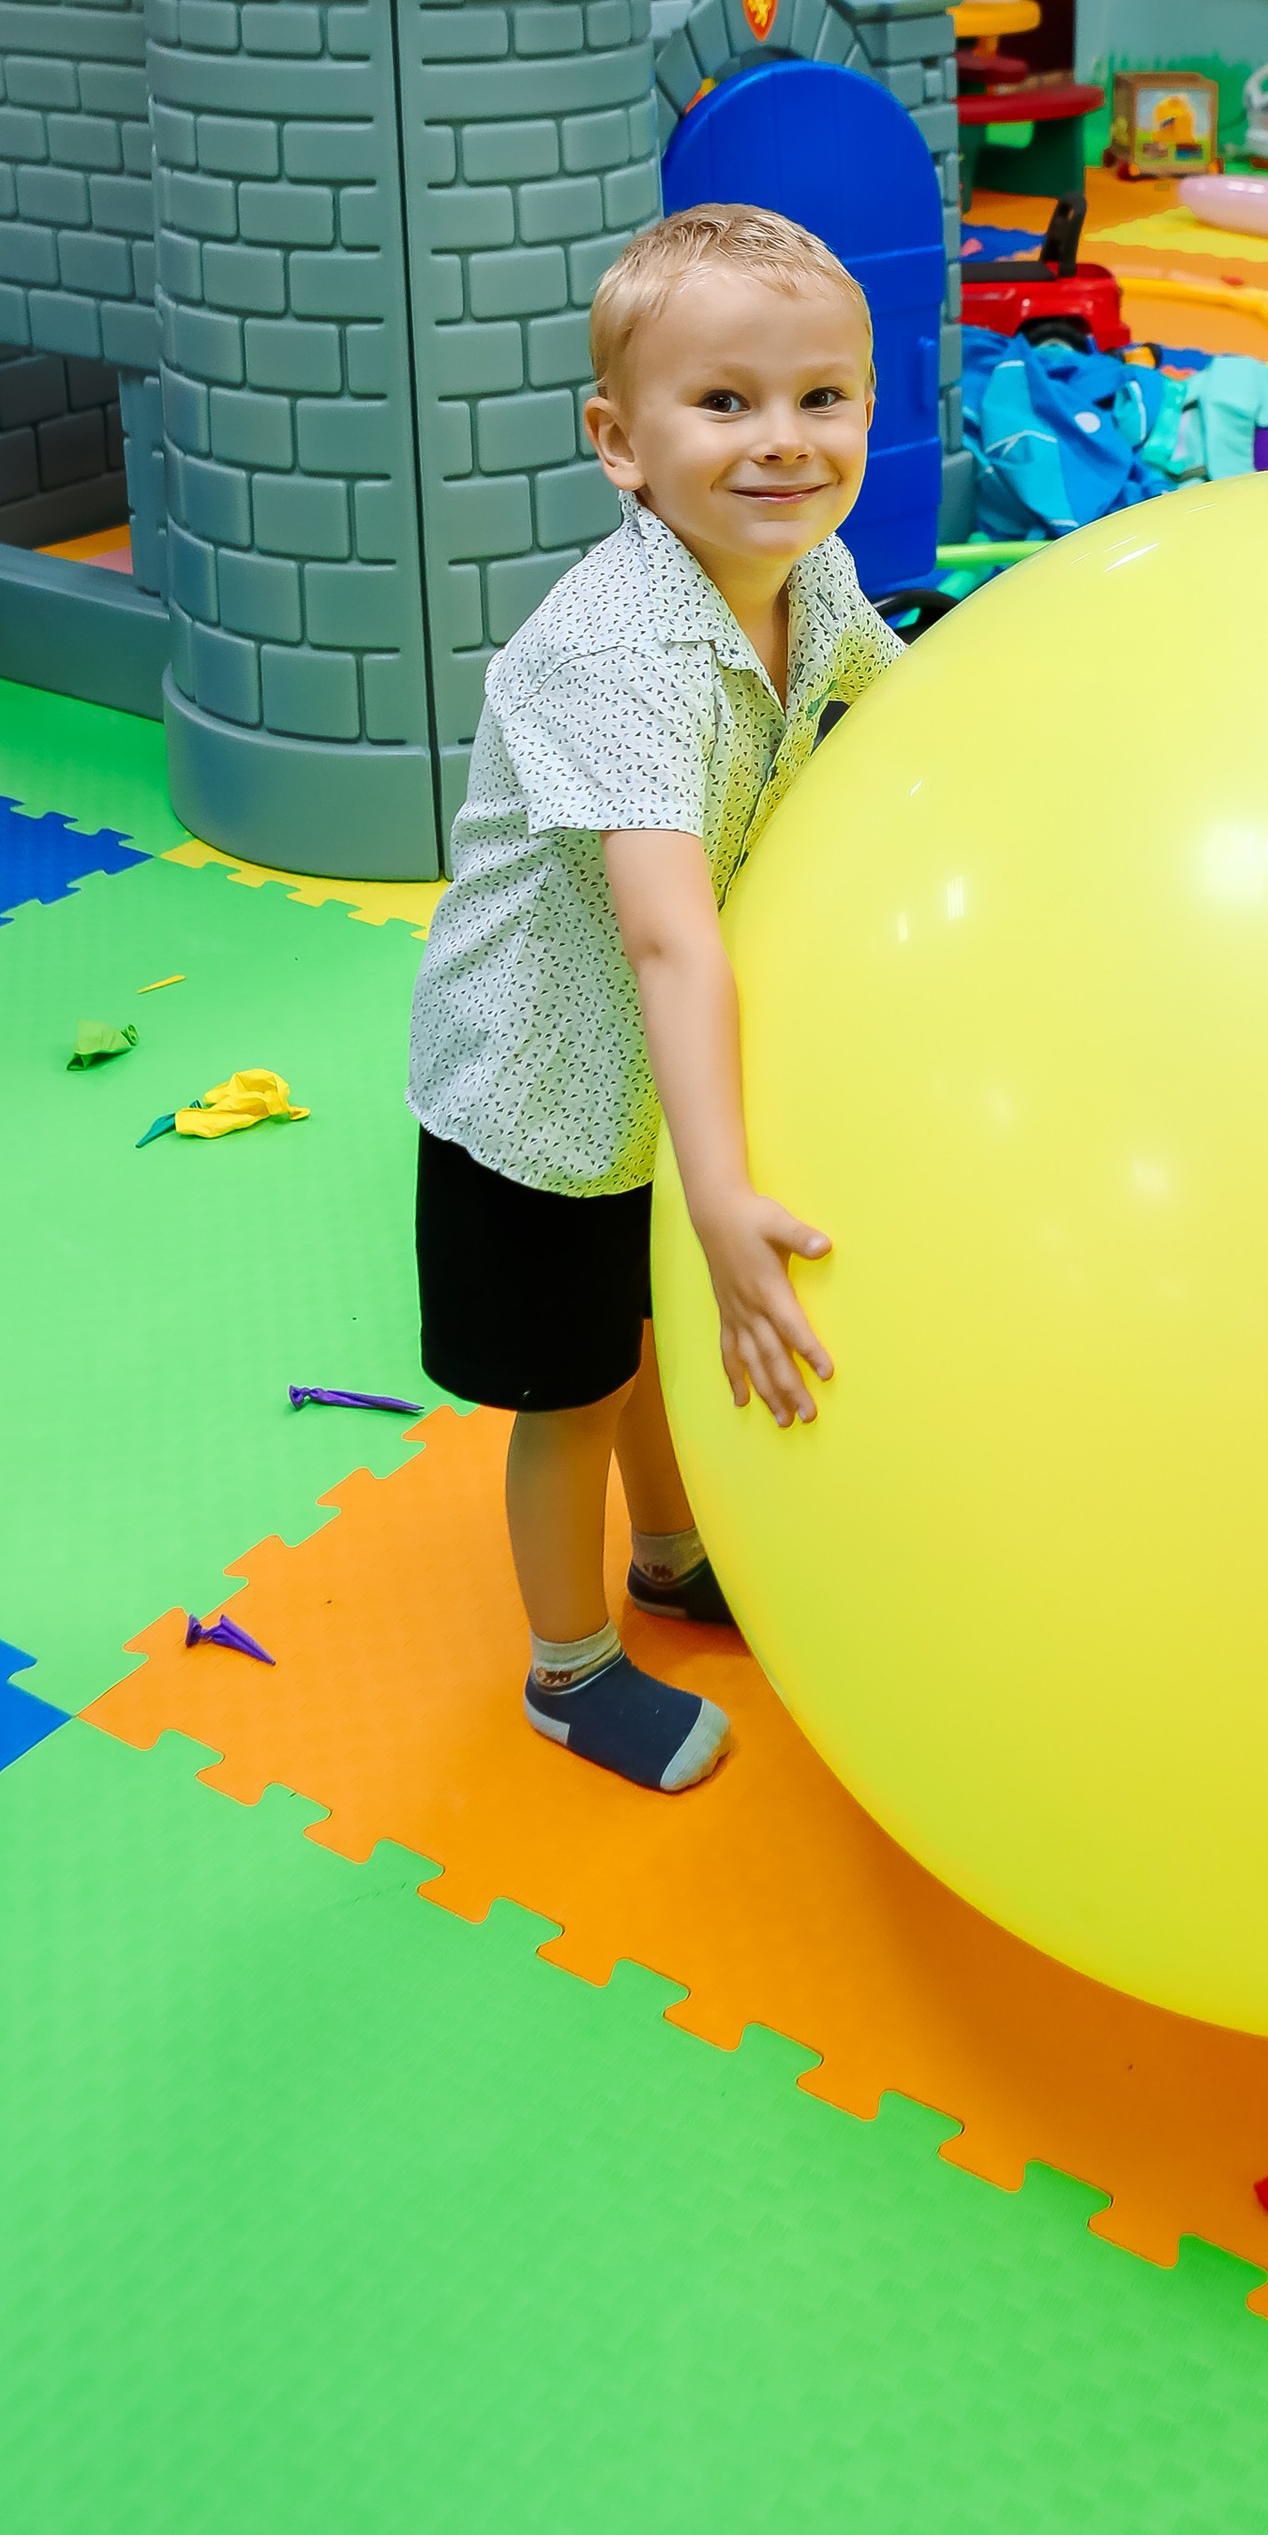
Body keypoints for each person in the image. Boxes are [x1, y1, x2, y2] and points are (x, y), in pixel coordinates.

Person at [407, 201, 902, 1792]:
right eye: (725, 403)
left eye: (823, 398)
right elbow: (667, 937)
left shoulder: (806, 582)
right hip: (543, 1094)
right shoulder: (620, 651)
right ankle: (569, 1672)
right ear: (620, 443)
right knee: (574, 1388)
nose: (784, 443)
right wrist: (724, 1189)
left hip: (658, 1073)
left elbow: (905, 720)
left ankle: (674, 1555)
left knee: (648, 1342)